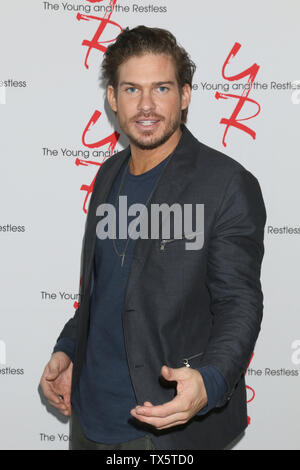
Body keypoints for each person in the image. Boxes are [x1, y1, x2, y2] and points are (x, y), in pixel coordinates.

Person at [39, 26, 266, 450]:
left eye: (161, 88)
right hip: (89, 421)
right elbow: (103, 289)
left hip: (169, 429)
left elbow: (239, 300)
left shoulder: (226, 184)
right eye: (131, 89)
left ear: (185, 94)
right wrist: (69, 349)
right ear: (112, 99)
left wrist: (211, 381)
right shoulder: (108, 175)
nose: (146, 105)